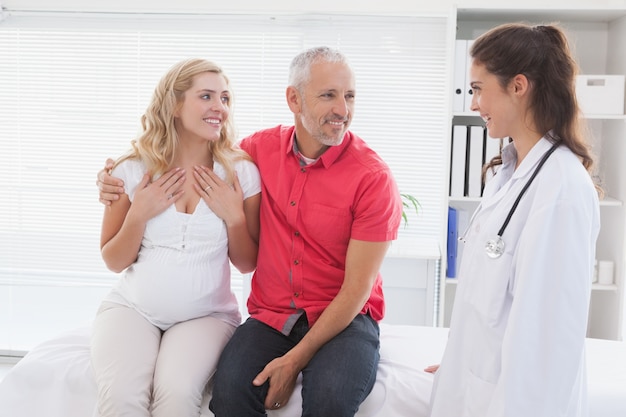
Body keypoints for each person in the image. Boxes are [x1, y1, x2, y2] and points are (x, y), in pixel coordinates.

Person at [98, 46, 403, 417]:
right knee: (229, 394)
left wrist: (294, 360)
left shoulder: (371, 177)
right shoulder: (259, 151)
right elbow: (200, 150)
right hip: (273, 316)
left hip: (343, 318)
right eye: (328, 95)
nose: (343, 109)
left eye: (349, 96)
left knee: (330, 400)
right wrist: (113, 184)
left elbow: (357, 290)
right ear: (294, 98)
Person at [428, 23, 601, 417]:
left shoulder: (561, 190)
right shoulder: (506, 174)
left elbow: (546, 344)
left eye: (478, 88)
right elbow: (489, 305)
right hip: (475, 388)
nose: (473, 104)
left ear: (518, 86)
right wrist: (460, 365)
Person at [92, 58, 261, 417]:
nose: (220, 108)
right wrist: (138, 213)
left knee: (177, 394)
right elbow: (113, 260)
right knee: (121, 398)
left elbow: (248, 263)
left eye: (225, 98)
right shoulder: (131, 170)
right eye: (206, 96)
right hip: (133, 310)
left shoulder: (240, 172)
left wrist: (233, 217)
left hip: (207, 316)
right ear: (174, 105)